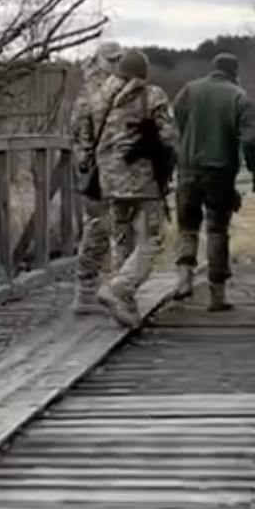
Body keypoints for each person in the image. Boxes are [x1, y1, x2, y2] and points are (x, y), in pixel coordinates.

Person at [170, 53, 255, 309]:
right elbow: (251, 140)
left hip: (188, 169)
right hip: (220, 172)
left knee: (187, 227)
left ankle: (183, 281)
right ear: (235, 72)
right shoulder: (238, 97)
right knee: (217, 230)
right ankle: (217, 294)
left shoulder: (189, 91)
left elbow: (175, 123)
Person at [91, 49, 178, 325]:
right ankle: (121, 288)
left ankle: (123, 303)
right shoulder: (152, 96)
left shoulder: (100, 98)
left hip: (110, 180)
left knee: (122, 237)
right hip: (142, 180)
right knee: (152, 238)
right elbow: (169, 137)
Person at [65, 39, 127, 317]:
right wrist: (87, 162)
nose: (115, 63)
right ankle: (88, 291)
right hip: (100, 171)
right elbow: (78, 135)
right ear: (101, 60)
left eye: (119, 59)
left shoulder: (115, 88)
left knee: (115, 228)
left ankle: (112, 290)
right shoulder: (92, 94)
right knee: (100, 228)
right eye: (111, 59)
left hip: (117, 169)